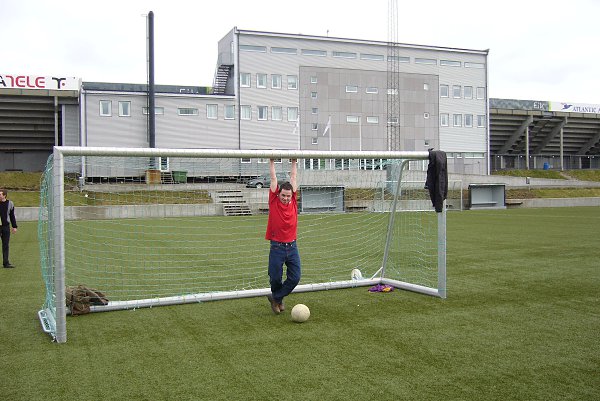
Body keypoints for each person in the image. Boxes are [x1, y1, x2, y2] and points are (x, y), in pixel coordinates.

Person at [265, 159, 301, 314]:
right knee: (275, 278)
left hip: (292, 246)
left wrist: (294, 162)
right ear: (278, 194)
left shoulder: (293, 201)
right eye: (283, 195)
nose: (286, 198)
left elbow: (293, 177)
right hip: (277, 247)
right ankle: (278, 300)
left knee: (295, 277)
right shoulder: (274, 201)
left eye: (288, 196)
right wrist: (271, 161)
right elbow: (273, 178)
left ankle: (276, 298)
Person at [0, 189, 18, 268]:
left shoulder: (10, 203)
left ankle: (6, 263)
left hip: (5, 227)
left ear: (4, 195)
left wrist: (14, 226)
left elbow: (12, 215)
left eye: (0, 194)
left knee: (5, 245)